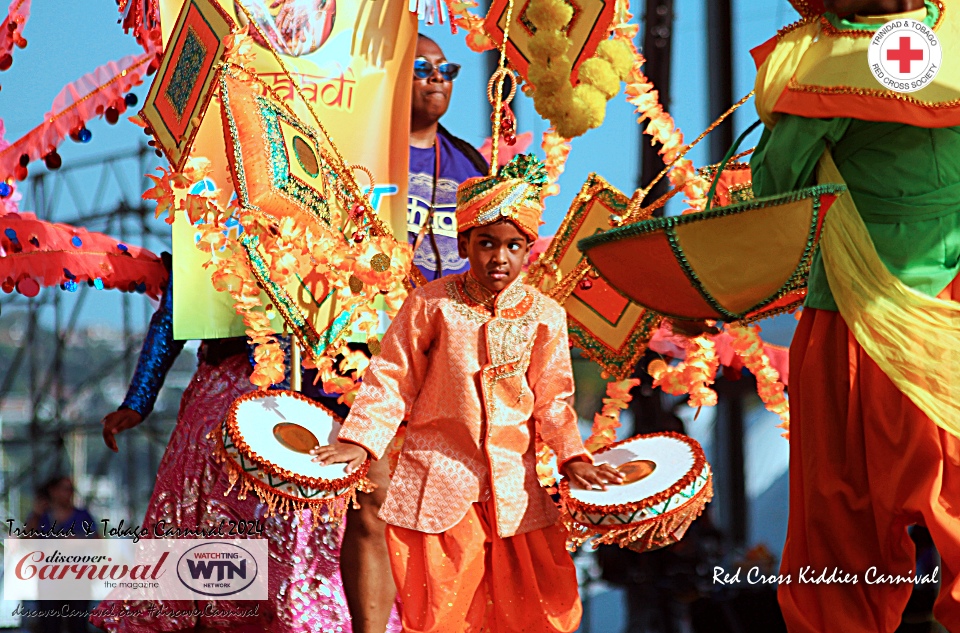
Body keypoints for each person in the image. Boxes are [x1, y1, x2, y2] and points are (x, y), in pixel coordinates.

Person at [313, 154, 623, 633]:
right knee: (442, 615)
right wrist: (360, 442)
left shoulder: (545, 315)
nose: (499, 258)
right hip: (439, 483)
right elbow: (392, 377)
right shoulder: (431, 304)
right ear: (463, 243)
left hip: (516, 493)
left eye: (513, 246)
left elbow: (554, 399)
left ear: (528, 250)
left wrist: (573, 457)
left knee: (537, 612)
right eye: (486, 244)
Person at [749, 0, 960, 630]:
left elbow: (774, 187)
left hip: (859, 323)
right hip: (875, 313)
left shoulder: (813, 62)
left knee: (839, 530)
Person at [92, 254, 360, 633]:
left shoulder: (334, 224)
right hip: (222, 409)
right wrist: (137, 401)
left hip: (313, 406)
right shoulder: (206, 230)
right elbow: (172, 315)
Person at [334, 32, 488, 633]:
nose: (436, 77)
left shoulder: (472, 166)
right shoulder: (359, 161)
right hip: (372, 350)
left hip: (453, 356)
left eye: (446, 68)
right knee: (369, 503)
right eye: (421, 68)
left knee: (448, 510)